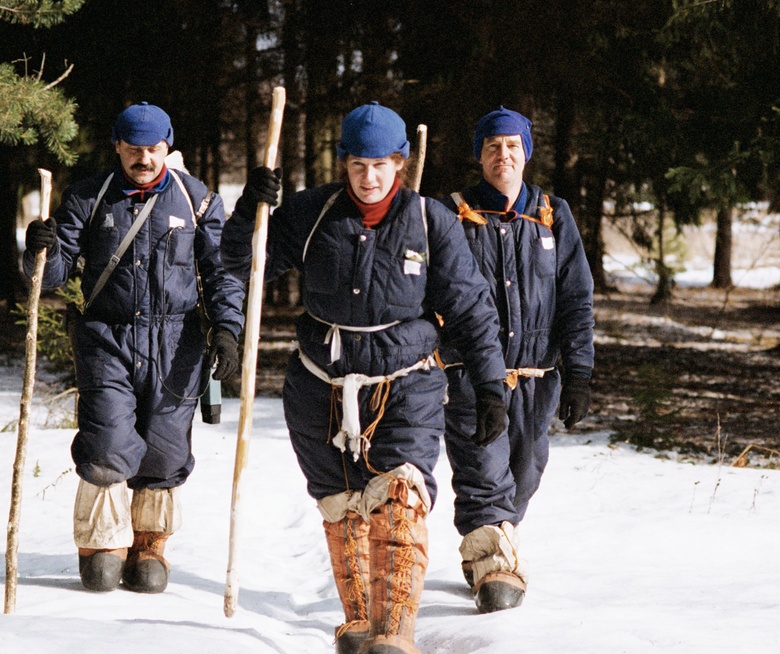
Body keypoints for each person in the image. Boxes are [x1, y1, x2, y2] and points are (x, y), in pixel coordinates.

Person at [222, 102, 507, 654]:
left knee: (400, 498)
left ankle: (394, 630)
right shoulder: (312, 213)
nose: (368, 177)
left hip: (405, 384)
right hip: (319, 386)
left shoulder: (430, 221)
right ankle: (359, 622)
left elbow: (472, 309)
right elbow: (243, 261)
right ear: (344, 163)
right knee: (342, 505)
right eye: (357, 165)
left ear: (400, 162)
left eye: (379, 165)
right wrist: (249, 210)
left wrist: (491, 384)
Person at [23, 102, 245, 594]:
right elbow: (53, 276)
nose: (144, 158)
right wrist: (42, 248)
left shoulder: (198, 201)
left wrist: (227, 330)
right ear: (117, 147)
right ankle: (102, 543)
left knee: (166, 448)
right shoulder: (88, 197)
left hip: (177, 343)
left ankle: (149, 543)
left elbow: (223, 273)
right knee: (106, 441)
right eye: (133, 149)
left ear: (167, 147)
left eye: (153, 149)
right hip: (107, 338)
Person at [438, 106, 595, 613]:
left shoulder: (553, 213)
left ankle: (489, 545)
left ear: (526, 152)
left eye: (511, 145)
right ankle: (494, 566)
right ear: (479, 155)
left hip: (536, 378)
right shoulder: (452, 214)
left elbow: (576, 298)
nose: (502, 155)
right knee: (484, 473)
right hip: (470, 377)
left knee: (525, 472)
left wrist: (579, 373)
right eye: (492, 146)